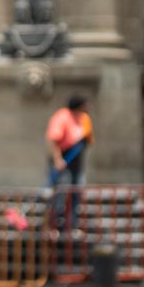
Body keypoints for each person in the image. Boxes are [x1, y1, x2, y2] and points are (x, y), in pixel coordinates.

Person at [45, 96, 92, 232]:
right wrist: (58, 160)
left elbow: (87, 137)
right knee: (62, 190)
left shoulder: (83, 118)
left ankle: (72, 224)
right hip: (63, 157)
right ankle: (54, 224)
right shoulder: (62, 117)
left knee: (77, 190)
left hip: (76, 158)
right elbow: (54, 140)